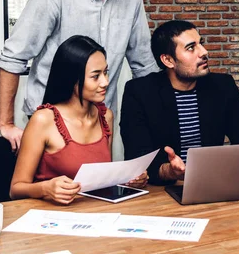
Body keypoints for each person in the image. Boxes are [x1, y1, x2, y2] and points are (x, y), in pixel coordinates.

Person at [0, 0, 159, 151]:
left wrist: (157, 123)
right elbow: (13, 57)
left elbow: (143, 63)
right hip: (49, 122)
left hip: (100, 121)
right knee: (54, 189)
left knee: (97, 187)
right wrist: (7, 124)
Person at [10, 35, 148, 205]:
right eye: (95, 76)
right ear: (72, 79)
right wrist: (46, 188)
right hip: (50, 218)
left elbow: (102, 181)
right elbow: (15, 189)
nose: (105, 82)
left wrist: (129, 180)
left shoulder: (106, 116)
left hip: (94, 214)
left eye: (105, 72)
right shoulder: (43, 120)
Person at [120, 20, 239, 185]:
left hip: (212, 183)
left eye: (201, 44)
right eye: (191, 48)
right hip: (161, 191)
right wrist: (170, 172)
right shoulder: (140, 92)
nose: (203, 52)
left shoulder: (223, 86)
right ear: (168, 60)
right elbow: (137, 159)